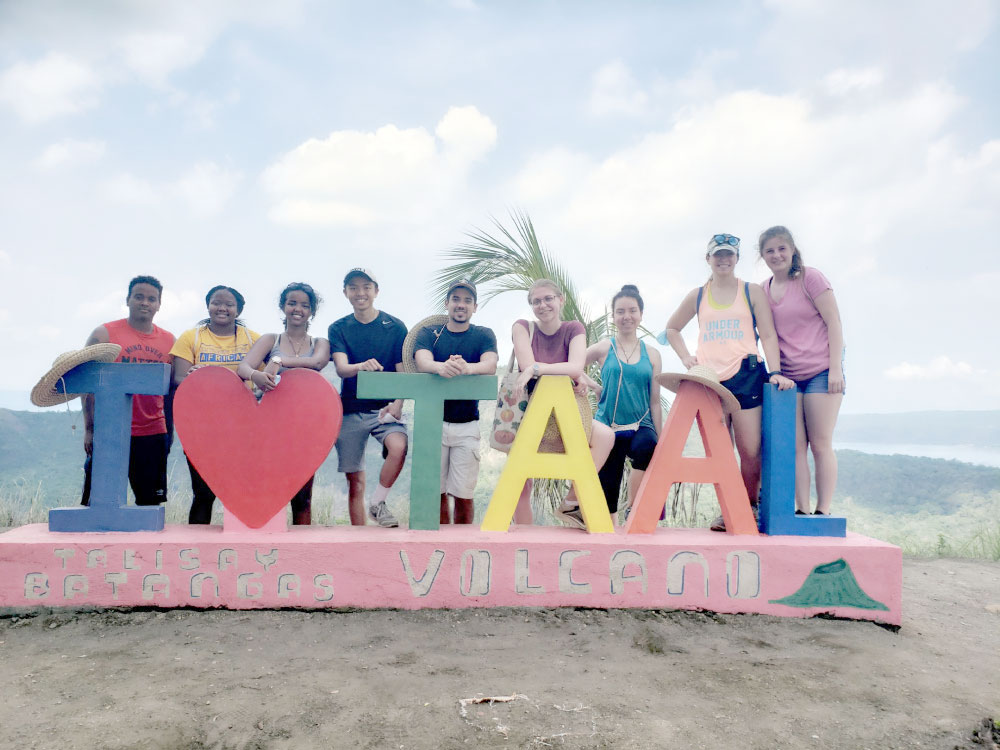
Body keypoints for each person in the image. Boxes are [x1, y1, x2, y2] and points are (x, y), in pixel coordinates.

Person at [665, 233, 795, 531]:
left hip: (747, 374)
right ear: (708, 259)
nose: (723, 259)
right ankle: (729, 512)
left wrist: (774, 371)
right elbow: (672, 328)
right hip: (710, 381)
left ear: (737, 259)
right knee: (721, 453)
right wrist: (686, 357)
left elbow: (769, 334)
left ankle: (748, 506)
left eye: (729, 255)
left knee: (749, 450)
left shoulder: (751, 291)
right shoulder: (697, 295)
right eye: (717, 254)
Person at [511, 279, 615, 529]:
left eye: (548, 298)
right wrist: (566, 371)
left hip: (568, 416)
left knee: (605, 437)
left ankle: (571, 500)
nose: (542, 305)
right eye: (536, 301)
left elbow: (575, 365)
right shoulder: (522, 327)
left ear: (561, 300)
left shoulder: (573, 328)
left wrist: (541, 368)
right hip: (531, 415)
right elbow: (527, 365)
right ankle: (524, 536)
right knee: (519, 482)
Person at [758, 225, 845, 516]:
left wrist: (836, 369)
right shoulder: (764, 290)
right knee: (796, 448)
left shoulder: (811, 278)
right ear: (763, 256)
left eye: (782, 248)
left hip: (822, 372)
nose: (777, 254)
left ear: (793, 250)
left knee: (820, 443)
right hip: (788, 378)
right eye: (770, 250)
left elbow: (834, 322)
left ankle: (823, 510)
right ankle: (802, 509)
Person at [236, 282, 331, 526]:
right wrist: (256, 375)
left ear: (312, 311)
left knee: (303, 495)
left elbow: (318, 363)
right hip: (270, 424)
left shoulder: (319, 343)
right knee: (268, 487)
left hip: (306, 425)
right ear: (283, 307)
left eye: (304, 305)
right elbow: (244, 367)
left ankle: (303, 552)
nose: (297, 309)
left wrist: (278, 360)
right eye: (292, 303)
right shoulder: (270, 338)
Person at [80, 275, 175, 507]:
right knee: (98, 504)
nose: (145, 303)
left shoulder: (170, 341)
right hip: (109, 431)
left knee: (150, 504)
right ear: (128, 299)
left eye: (152, 299)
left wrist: (169, 433)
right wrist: (90, 429)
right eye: (139, 297)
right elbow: (86, 383)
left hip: (153, 432)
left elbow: (171, 392)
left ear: (159, 304)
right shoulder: (104, 334)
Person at [170, 285, 260, 524]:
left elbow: (268, 375)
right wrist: (195, 375)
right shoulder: (191, 337)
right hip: (201, 427)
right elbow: (177, 378)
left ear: (238, 310)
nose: (222, 308)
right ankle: (195, 550)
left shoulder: (253, 339)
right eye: (216, 303)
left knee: (240, 490)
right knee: (204, 492)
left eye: (229, 304)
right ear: (208, 305)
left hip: (243, 427)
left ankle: (242, 546)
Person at [328, 268, 408, 528]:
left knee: (399, 447)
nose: (360, 292)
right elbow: (341, 368)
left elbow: (402, 371)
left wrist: (397, 404)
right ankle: (358, 535)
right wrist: (361, 365)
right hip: (350, 409)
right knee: (355, 482)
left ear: (376, 291)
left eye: (366, 287)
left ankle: (378, 503)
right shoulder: (338, 328)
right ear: (345, 293)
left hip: (384, 409)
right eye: (353, 287)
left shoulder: (395, 327)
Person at [413, 279, 498, 524]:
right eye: (456, 299)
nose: (461, 305)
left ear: (475, 306)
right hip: (432, 424)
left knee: (464, 495)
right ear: (447, 303)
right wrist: (442, 367)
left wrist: (466, 368)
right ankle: (440, 542)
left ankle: (462, 545)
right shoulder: (429, 334)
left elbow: (490, 365)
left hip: (467, 425)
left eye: (467, 300)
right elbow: (422, 361)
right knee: (435, 493)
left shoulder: (483, 334)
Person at [585, 285, 662, 526]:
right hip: (607, 426)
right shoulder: (603, 347)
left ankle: (633, 509)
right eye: (620, 311)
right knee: (608, 490)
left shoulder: (652, 354)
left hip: (642, 424)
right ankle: (611, 533)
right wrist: (592, 385)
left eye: (632, 310)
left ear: (641, 314)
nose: (626, 316)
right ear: (613, 316)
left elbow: (655, 400)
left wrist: (661, 437)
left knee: (647, 447)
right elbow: (573, 366)